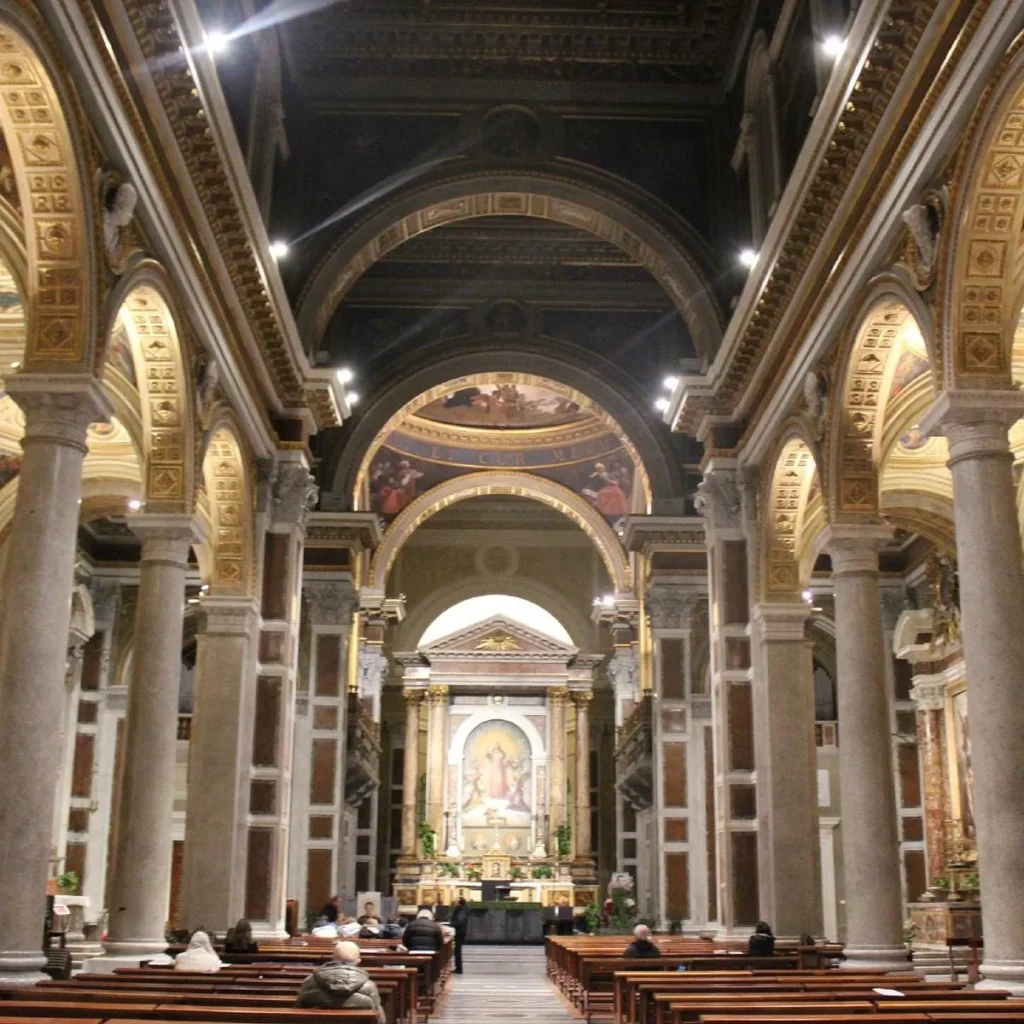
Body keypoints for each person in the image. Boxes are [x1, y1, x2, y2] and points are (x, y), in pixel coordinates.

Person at [295, 940, 385, 1024]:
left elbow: (299, 1011)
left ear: (333, 958)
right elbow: (379, 1019)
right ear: (358, 962)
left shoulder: (311, 981)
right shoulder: (369, 986)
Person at [449, 896, 469, 974]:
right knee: (457, 950)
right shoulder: (461, 909)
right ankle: (458, 967)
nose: (455, 902)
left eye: (456, 901)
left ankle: (459, 968)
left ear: (460, 903)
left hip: (460, 932)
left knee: (457, 951)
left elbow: (459, 921)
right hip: (459, 931)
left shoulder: (462, 910)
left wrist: (452, 924)